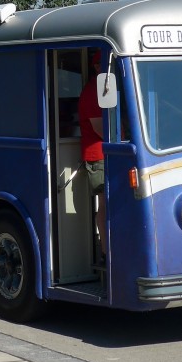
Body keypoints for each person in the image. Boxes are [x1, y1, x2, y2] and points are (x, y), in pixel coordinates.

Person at [78, 50, 106, 263]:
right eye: (102, 65)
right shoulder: (93, 91)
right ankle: (107, 252)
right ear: (96, 67)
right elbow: (100, 129)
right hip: (99, 156)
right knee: (106, 205)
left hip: (104, 154)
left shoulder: (102, 90)